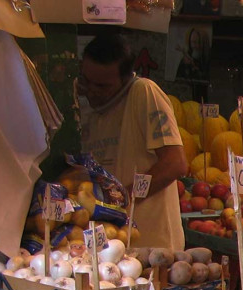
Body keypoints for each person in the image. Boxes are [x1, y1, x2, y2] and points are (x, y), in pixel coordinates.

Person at [78, 33, 188, 249]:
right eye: (87, 82)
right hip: (111, 246)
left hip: (151, 247)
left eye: (102, 86)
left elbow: (175, 163)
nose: (92, 91)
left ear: (125, 79)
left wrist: (122, 198)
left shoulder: (144, 92)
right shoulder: (87, 108)